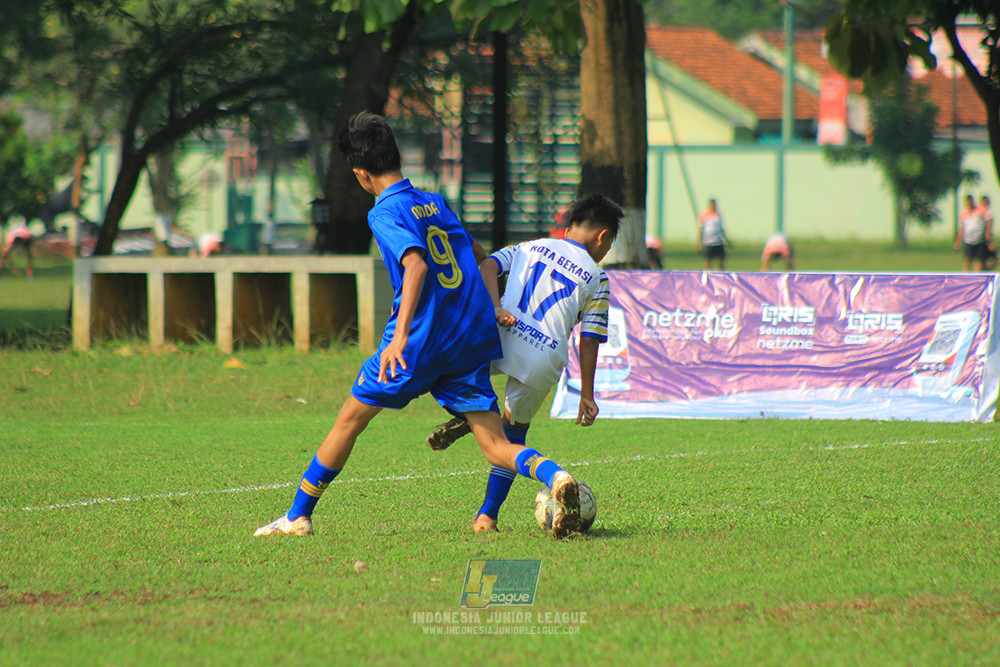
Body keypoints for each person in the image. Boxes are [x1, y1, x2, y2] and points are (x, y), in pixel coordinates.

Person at [254, 112, 583, 539]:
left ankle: (298, 516)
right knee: (496, 445)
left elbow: (415, 265)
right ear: (396, 157)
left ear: (359, 174)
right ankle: (555, 477)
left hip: (419, 344)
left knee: (349, 421)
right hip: (465, 342)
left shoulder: (384, 212)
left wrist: (401, 337)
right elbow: (477, 250)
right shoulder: (435, 201)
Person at [426, 194, 623, 533]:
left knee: (446, 376)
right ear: (602, 236)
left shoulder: (530, 246)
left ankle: (470, 415)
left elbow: (487, 264)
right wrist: (586, 394)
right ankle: (486, 517)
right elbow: (589, 339)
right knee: (512, 439)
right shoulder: (598, 278)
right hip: (542, 356)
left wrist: (495, 307)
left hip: (499, 333)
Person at [956, 194, 992, 272]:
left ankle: (978, 278)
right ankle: (964, 279)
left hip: (980, 240)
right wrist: (958, 241)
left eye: (970, 202)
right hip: (968, 241)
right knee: (967, 261)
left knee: (979, 262)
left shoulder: (980, 210)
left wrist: (987, 233)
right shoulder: (963, 214)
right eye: (967, 203)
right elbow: (960, 228)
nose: (969, 204)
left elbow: (989, 220)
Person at [698, 198, 730, 270]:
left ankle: (722, 277)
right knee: (707, 262)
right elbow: (700, 229)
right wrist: (699, 242)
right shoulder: (704, 214)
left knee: (721, 261)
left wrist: (725, 239)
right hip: (708, 242)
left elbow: (721, 228)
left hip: (718, 241)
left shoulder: (718, 215)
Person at [979, 195, 997, 271]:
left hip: (980, 239)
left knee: (982, 261)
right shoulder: (986, 213)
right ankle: (985, 272)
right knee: (994, 259)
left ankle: (984, 271)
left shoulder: (978, 212)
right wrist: (989, 242)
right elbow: (987, 230)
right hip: (984, 240)